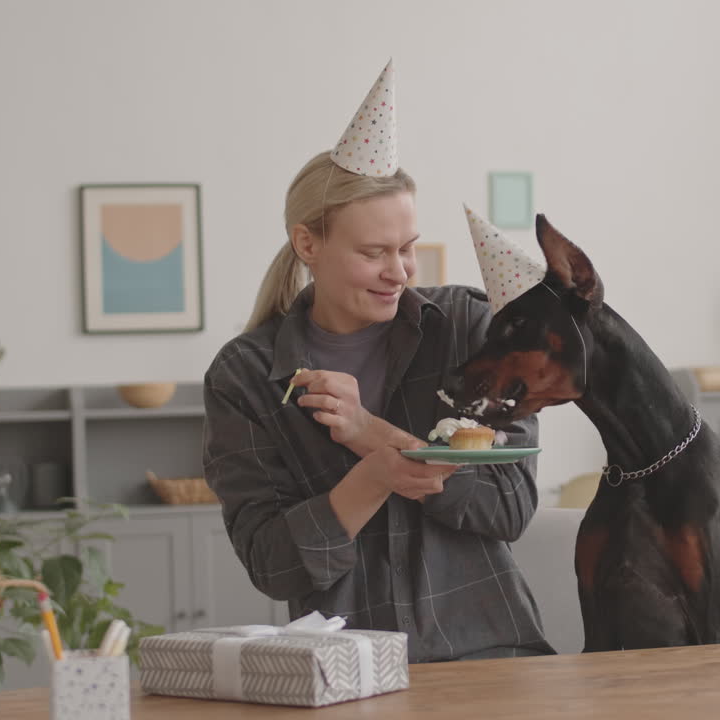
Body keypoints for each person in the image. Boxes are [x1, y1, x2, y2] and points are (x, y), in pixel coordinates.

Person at [202, 62, 552, 662]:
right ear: (308, 244)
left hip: (491, 655)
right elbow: (273, 566)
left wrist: (373, 434)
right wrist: (371, 478)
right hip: (346, 668)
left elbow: (509, 506)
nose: (400, 272)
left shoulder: (467, 330)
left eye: (407, 248)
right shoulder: (246, 376)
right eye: (373, 253)